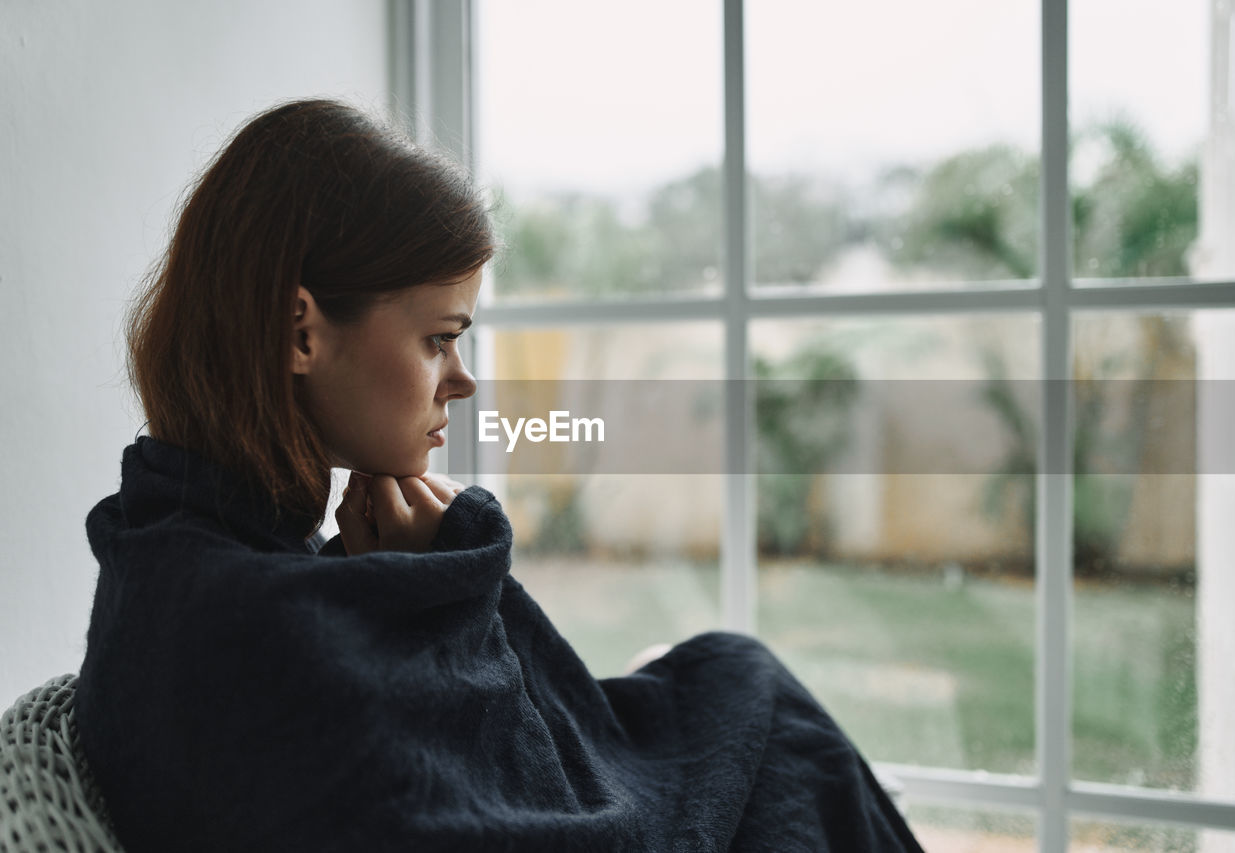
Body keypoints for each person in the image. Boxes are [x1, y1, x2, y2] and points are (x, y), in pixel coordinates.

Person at [76, 98, 924, 852]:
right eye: (438, 337)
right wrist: (451, 577)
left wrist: (387, 580)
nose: (463, 378)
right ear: (301, 332)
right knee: (752, 698)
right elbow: (515, 806)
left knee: (724, 679)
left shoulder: (179, 541)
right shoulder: (241, 616)